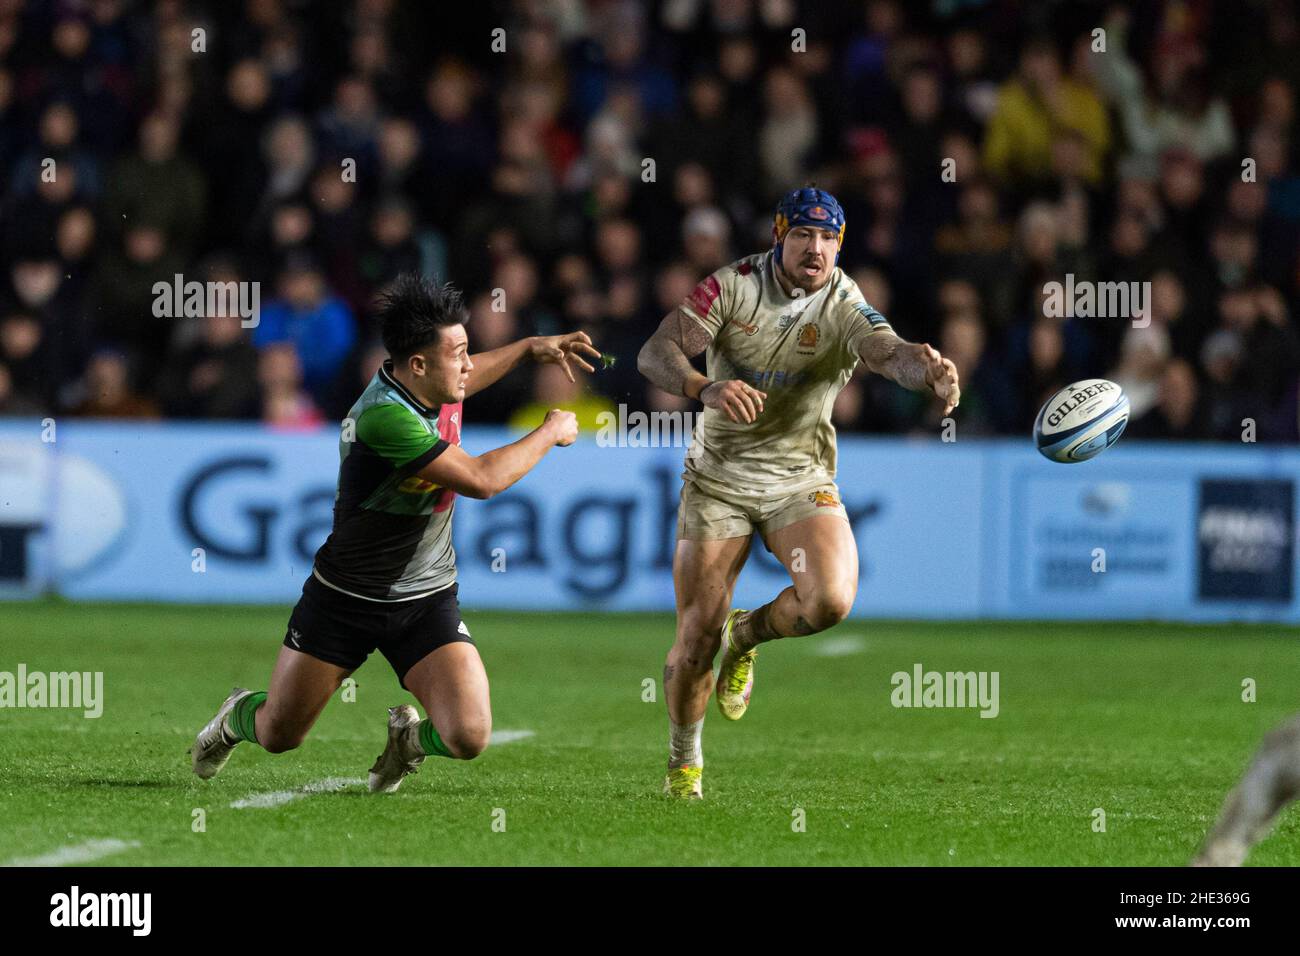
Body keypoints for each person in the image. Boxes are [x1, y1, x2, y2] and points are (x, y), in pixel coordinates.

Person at [191, 274, 600, 793]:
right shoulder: (384, 418)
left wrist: (527, 349)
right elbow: (482, 480)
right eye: (459, 354)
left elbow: (468, 380)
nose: (469, 365)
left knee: (469, 735)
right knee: (278, 733)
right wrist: (550, 431)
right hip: (344, 600)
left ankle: (407, 742)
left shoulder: (434, 381)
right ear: (419, 365)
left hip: (425, 599)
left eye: (468, 349)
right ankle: (234, 717)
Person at [636, 186, 960, 798]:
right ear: (779, 236)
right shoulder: (732, 286)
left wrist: (928, 368)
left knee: (830, 601)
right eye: (804, 235)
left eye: (829, 239)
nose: (816, 250)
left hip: (800, 481)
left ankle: (748, 636)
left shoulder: (844, 301)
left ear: (840, 245)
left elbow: (887, 353)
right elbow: (657, 351)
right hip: (718, 482)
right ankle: (684, 764)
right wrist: (704, 388)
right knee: (694, 636)